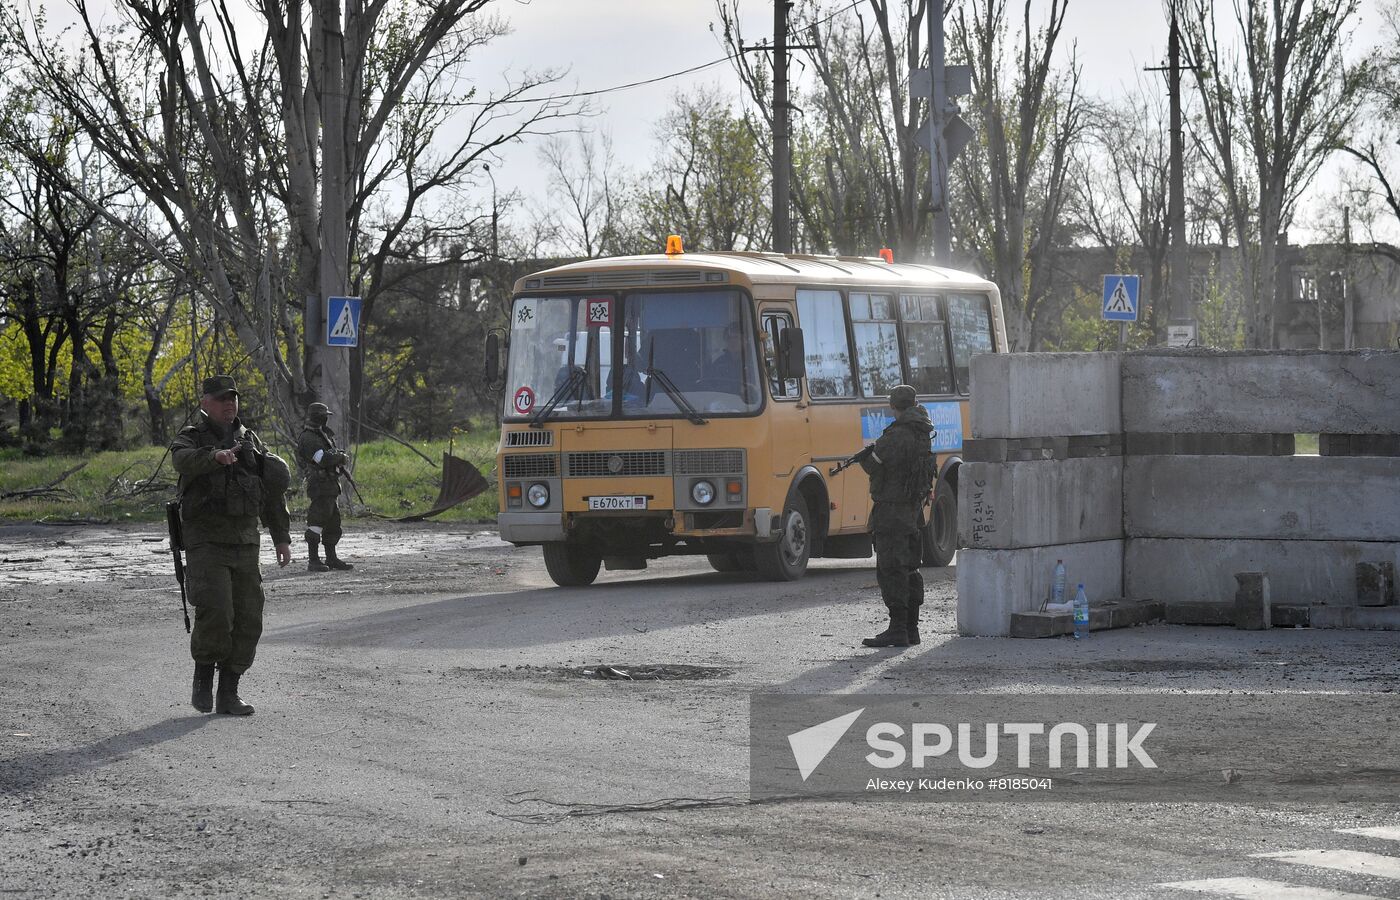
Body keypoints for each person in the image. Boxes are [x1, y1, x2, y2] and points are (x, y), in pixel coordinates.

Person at [172, 375, 292, 715]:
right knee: (218, 612)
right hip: (206, 542)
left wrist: (280, 538)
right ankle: (203, 679)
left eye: (234, 398)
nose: (230, 404)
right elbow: (181, 460)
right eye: (222, 398)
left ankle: (229, 691)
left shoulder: (250, 440)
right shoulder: (191, 437)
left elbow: (272, 491)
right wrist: (216, 457)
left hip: (245, 542)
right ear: (206, 402)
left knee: (249, 617)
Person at [859, 384, 935, 648]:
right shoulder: (922, 431)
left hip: (892, 511)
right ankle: (911, 629)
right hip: (913, 511)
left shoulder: (896, 435)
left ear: (893, 406)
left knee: (892, 569)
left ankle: (897, 629)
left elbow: (873, 465)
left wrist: (865, 456)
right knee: (910, 569)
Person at [296, 401, 354, 572]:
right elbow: (323, 459)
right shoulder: (308, 438)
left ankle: (331, 558)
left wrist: (338, 458)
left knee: (333, 523)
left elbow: (330, 456)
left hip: (330, 485)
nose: (324, 419)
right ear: (315, 417)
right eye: (322, 416)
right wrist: (340, 457)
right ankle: (313, 560)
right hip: (319, 485)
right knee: (317, 522)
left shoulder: (322, 435)